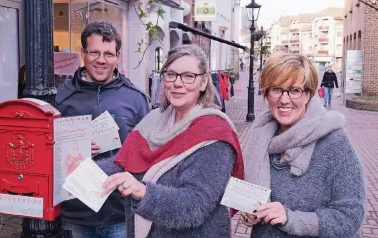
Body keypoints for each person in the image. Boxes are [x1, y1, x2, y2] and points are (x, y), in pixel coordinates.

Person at [102, 44, 245, 237]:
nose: (177, 83)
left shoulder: (215, 133)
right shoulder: (154, 119)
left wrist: (143, 192)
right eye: (171, 74)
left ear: (203, 82)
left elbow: (195, 206)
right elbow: (123, 162)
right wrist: (81, 170)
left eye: (188, 76)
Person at [242, 54, 365, 237]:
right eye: (276, 89)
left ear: (308, 94)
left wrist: (291, 219)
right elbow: (253, 198)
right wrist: (250, 214)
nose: (284, 100)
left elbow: (350, 216)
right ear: (267, 94)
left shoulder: (334, 143)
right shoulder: (261, 136)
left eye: (294, 90)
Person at [55, 20, 150, 237]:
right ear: (83, 53)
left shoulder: (135, 99)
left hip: (120, 212)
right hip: (76, 212)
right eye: (94, 52)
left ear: (117, 56)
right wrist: (74, 149)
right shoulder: (61, 97)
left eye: (108, 54)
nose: (101, 60)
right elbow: (48, 150)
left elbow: (148, 153)